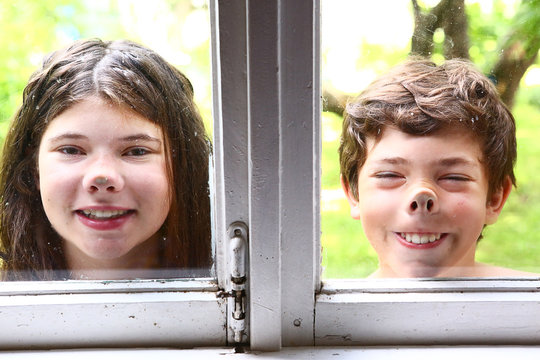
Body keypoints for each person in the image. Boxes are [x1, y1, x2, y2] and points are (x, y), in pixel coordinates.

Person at [0, 39, 212, 280]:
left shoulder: (241, 296)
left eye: (136, 151)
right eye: (71, 150)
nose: (102, 177)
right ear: (33, 169)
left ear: (181, 166)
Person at [339, 58, 535, 278]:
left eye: (454, 178)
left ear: (495, 198)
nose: (421, 196)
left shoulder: (529, 302)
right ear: (353, 193)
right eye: (390, 175)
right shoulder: (328, 309)